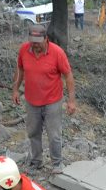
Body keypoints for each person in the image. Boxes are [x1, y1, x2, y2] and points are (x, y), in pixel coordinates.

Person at [11, 24, 77, 174]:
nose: (35, 45)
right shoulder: (24, 50)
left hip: (52, 101)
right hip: (32, 100)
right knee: (33, 132)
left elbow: (68, 76)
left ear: (46, 39)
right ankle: (36, 162)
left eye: (38, 41)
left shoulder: (57, 53)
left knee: (54, 134)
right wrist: (15, 89)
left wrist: (71, 100)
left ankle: (57, 163)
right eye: (32, 41)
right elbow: (20, 69)